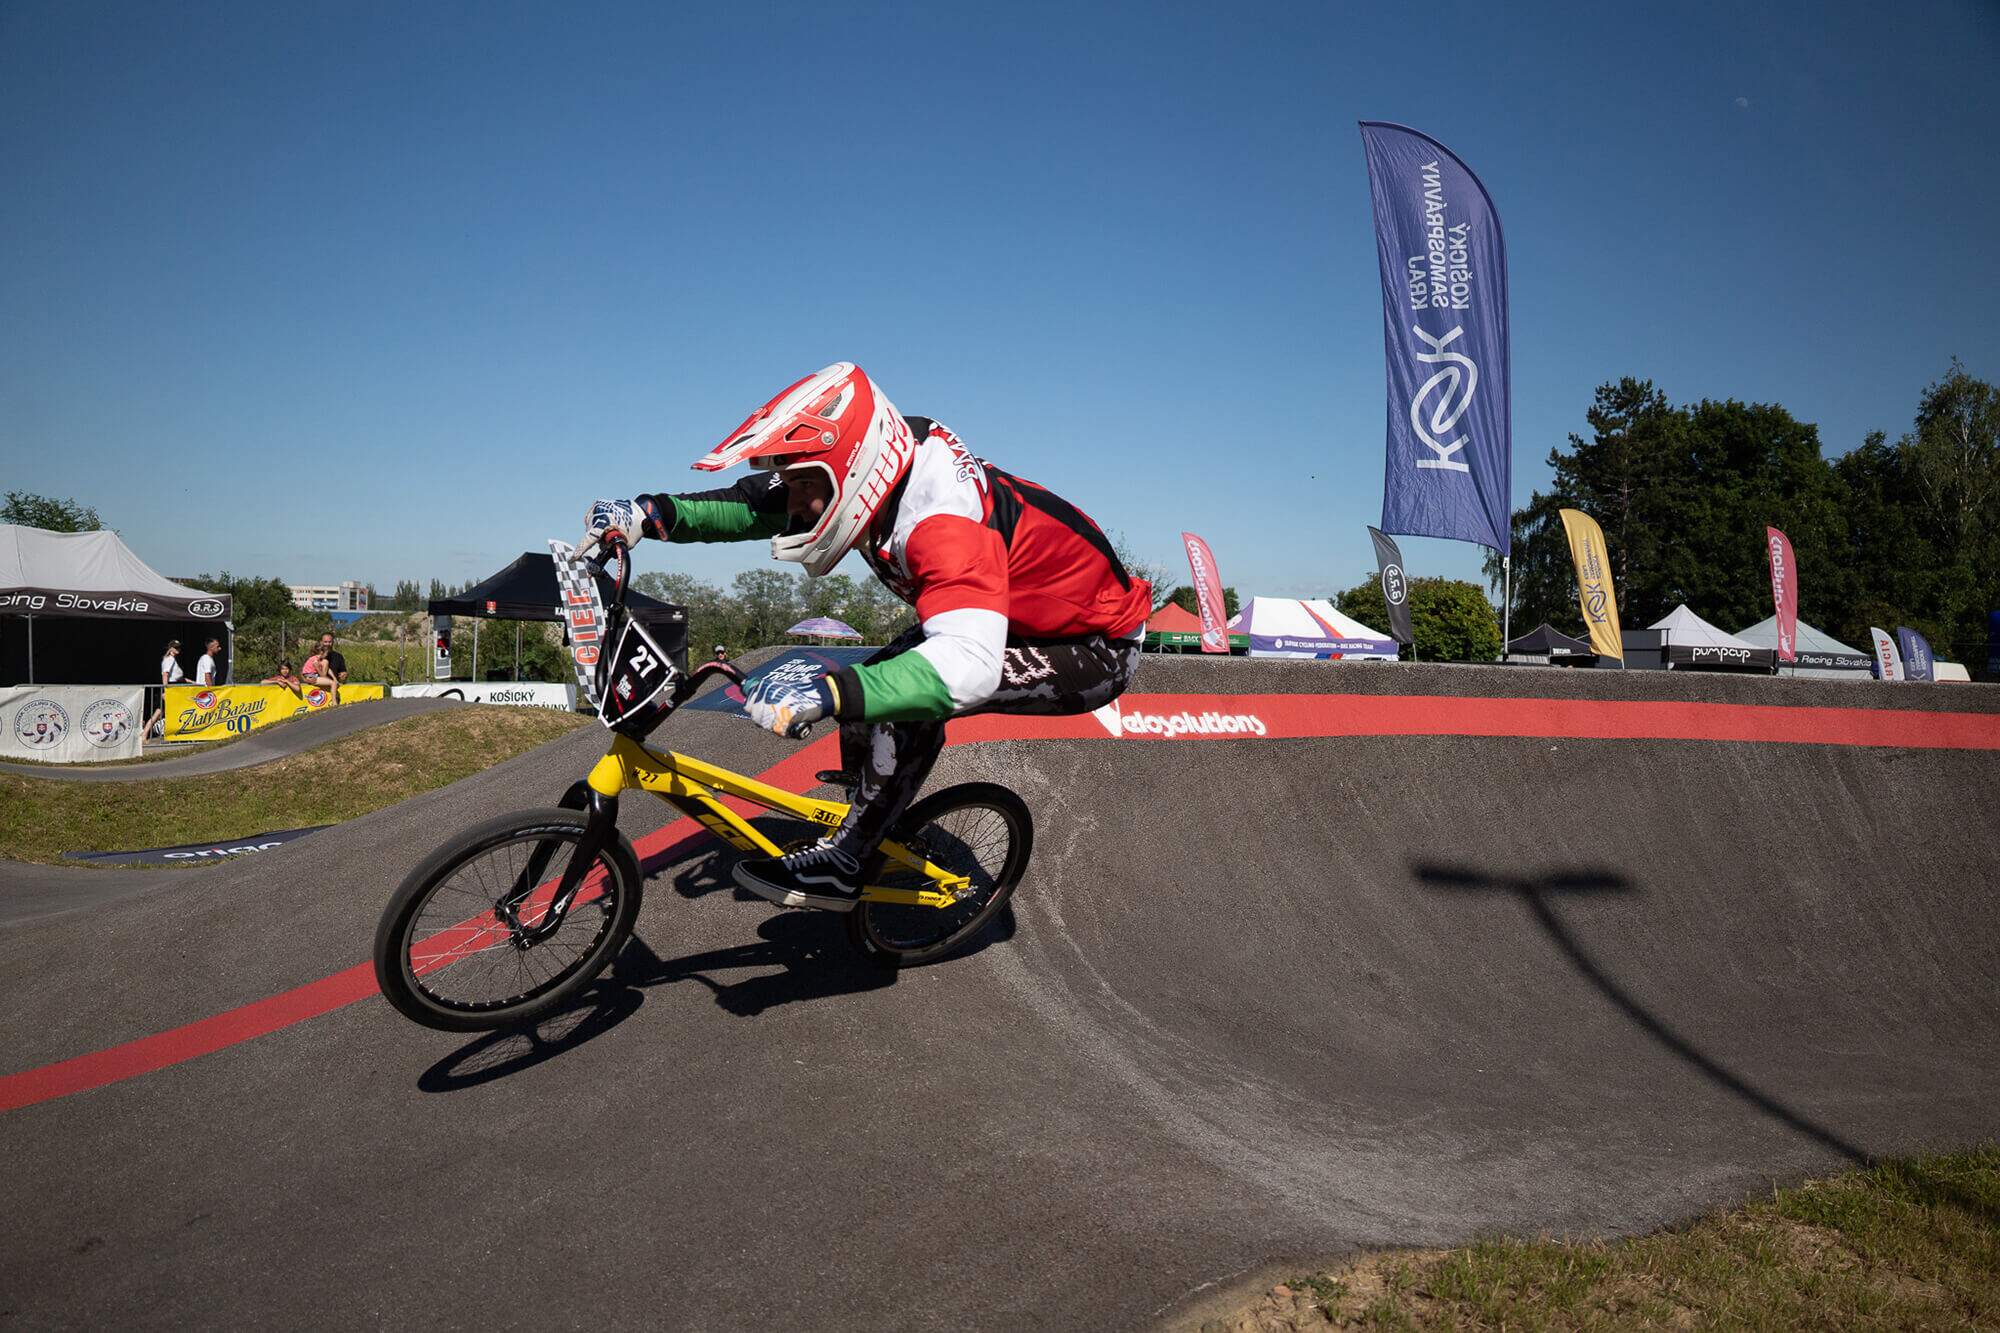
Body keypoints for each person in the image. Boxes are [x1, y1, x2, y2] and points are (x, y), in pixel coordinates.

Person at [584, 362, 1151, 911]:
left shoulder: (942, 526)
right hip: (1012, 614)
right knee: (873, 687)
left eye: (808, 485)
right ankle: (874, 802)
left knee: (892, 702)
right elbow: (757, 504)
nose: (800, 503)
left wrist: (830, 697)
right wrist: (650, 513)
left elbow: (969, 665)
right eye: (798, 481)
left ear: (857, 469)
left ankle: (847, 861)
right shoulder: (884, 461)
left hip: (1091, 646)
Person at [303, 633, 347, 703]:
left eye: (330, 642)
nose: (327, 644)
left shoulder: (338, 656)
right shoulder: (313, 657)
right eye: (325, 642)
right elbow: (304, 671)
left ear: (333, 642)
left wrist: (343, 676)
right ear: (321, 642)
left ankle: (334, 701)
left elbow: (343, 672)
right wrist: (305, 679)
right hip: (316, 686)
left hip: (332, 687)